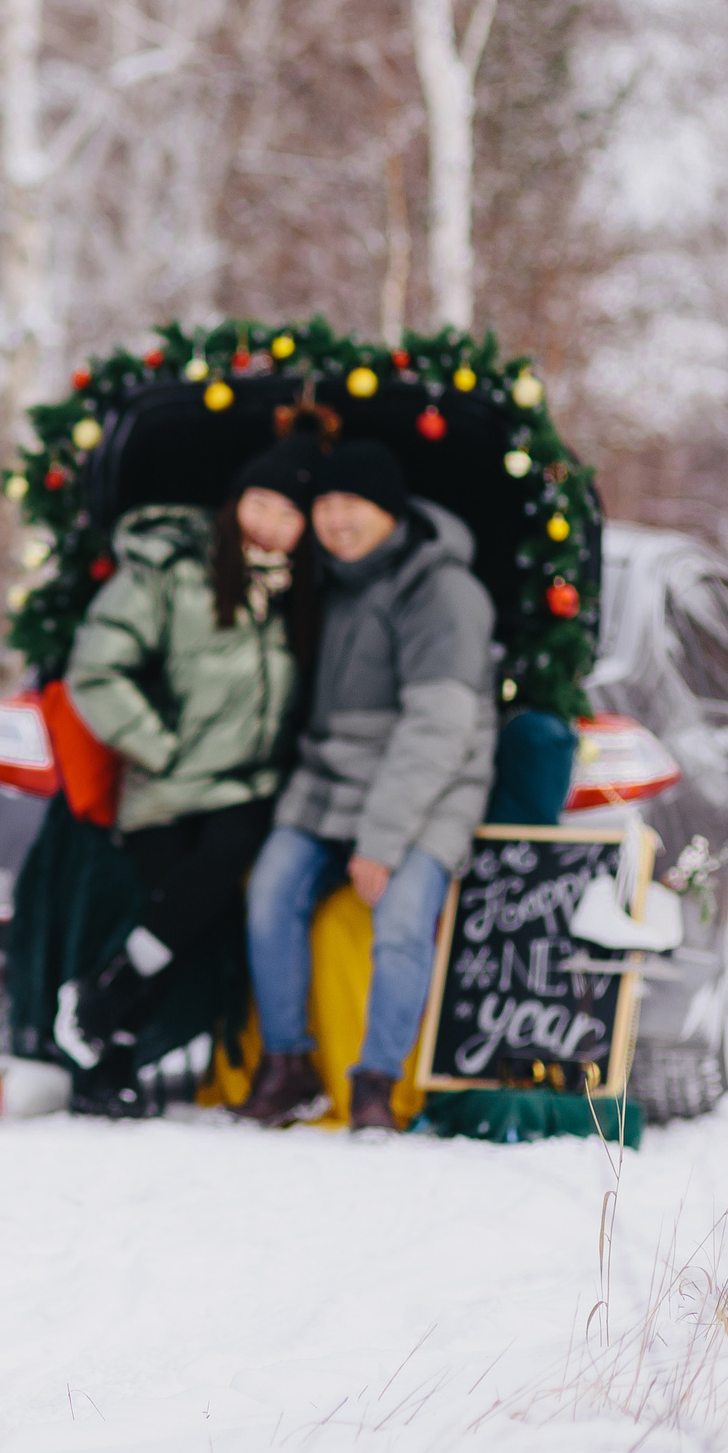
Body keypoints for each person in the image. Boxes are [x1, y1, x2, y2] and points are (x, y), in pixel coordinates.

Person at [50, 437, 321, 1117]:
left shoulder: (306, 594)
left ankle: (106, 1000)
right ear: (235, 505)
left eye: (288, 514)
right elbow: (96, 668)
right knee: (173, 900)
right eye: (260, 503)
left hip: (253, 787)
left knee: (223, 859)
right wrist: (159, 747)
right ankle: (109, 1057)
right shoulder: (170, 572)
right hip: (167, 781)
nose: (269, 524)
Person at [231, 440, 497, 1132]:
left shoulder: (441, 590)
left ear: (389, 510)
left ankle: (376, 1082)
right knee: (271, 891)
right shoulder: (324, 579)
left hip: (433, 782)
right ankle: (289, 1064)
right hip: (330, 779)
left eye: (352, 504)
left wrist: (380, 841)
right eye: (323, 505)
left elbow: (439, 728)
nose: (335, 520)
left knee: (404, 916)